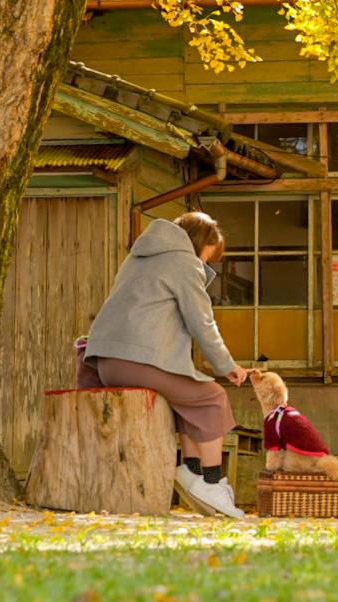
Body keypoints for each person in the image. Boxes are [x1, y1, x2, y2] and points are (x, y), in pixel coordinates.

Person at [84, 210, 248, 518]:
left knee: (187, 396)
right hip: (139, 360)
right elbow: (202, 322)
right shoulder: (183, 262)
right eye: (208, 257)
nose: (206, 264)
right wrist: (227, 366)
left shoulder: (139, 258)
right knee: (212, 397)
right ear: (202, 242)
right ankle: (211, 480)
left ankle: (192, 471)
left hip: (107, 362)